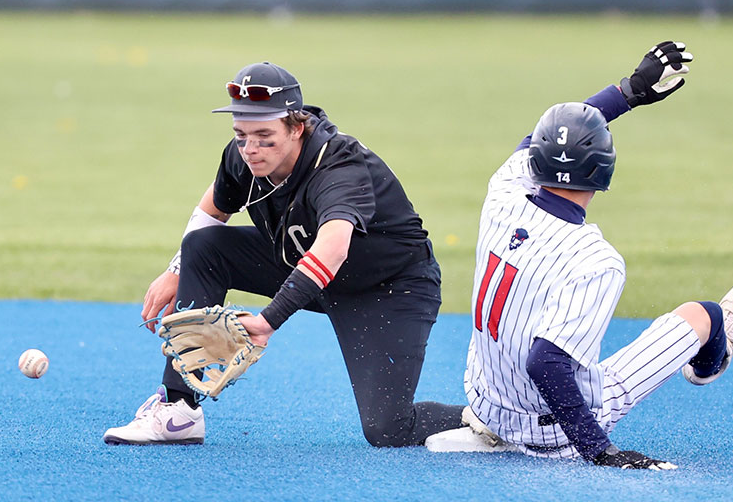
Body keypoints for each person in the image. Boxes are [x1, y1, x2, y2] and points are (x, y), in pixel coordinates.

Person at [425, 42, 733, 469]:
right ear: (604, 169)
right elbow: (546, 364)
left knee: (534, 340)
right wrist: (601, 451)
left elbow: (538, 140)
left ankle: (493, 424)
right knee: (706, 315)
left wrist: (628, 91)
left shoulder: (503, 192)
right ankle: (710, 362)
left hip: (485, 400)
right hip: (554, 433)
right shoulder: (595, 260)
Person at [104, 61, 465, 446]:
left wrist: (268, 321)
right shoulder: (243, 155)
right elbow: (212, 211)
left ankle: (493, 420)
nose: (250, 149)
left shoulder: (339, 164)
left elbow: (332, 249)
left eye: (264, 135)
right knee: (204, 247)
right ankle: (178, 411)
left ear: (297, 127)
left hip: (388, 289)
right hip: (303, 265)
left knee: (389, 428)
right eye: (241, 135)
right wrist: (177, 270)